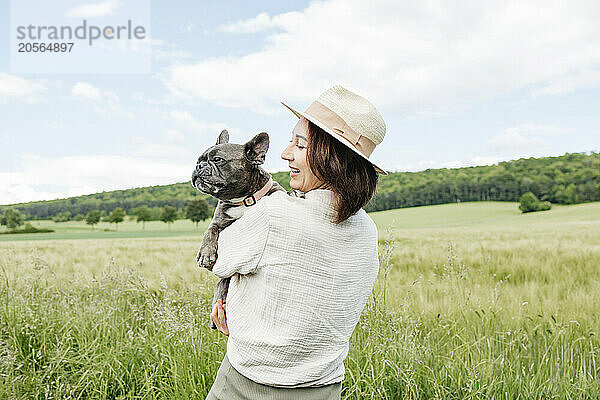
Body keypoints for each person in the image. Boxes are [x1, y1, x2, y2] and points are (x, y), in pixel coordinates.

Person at [205, 85, 387, 400]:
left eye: (299, 144)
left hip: (246, 385)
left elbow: (217, 259)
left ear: (332, 156)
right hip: (324, 389)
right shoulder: (368, 231)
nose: (285, 153)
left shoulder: (273, 214)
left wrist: (235, 315)